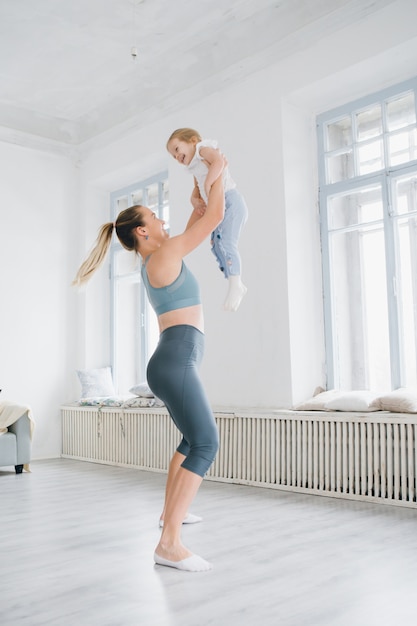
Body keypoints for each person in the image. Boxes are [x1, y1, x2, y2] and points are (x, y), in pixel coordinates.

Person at [72, 167, 227, 572]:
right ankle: (169, 543)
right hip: (175, 360)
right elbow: (212, 219)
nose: (160, 219)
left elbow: (198, 217)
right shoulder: (164, 256)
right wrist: (220, 174)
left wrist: (200, 187)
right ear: (141, 232)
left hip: (174, 359)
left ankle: (168, 515)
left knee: (191, 442)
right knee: (207, 441)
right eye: (153, 216)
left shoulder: (163, 254)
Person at [166, 127, 248, 312]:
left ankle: (236, 282)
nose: (177, 157)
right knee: (215, 243)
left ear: (193, 140)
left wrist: (209, 183)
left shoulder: (203, 149)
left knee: (227, 243)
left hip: (230, 200)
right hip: (218, 203)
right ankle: (231, 278)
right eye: (173, 156)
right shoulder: (194, 166)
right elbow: (196, 188)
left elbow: (219, 162)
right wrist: (194, 198)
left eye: (177, 149)